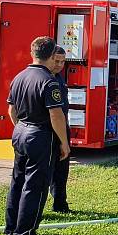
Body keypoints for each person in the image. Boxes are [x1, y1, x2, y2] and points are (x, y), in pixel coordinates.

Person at [5, 36, 70, 235]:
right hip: (40, 135)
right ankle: (26, 234)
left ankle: (11, 227)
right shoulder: (49, 81)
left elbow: (11, 110)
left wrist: (21, 128)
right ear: (51, 56)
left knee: (17, 182)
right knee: (36, 185)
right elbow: (56, 116)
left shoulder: (20, 76)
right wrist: (64, 142)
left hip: (21, 131)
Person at [49, 45, 72, 213]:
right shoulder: (45, 79)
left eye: (62, 62)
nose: (59, 65)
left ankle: (60, 204)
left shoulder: (60, 77)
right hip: (47, 131)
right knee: (43, 173)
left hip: (62, 127)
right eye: (56, 61)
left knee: (62, 170)